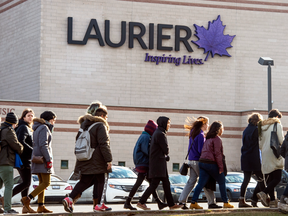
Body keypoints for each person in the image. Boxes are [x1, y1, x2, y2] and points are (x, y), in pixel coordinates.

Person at [62, 101, 113, 213]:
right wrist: (108, 159)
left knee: (85, 181)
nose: (107, 119)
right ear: (102, 116)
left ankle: (70, 198)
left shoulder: (84, 125)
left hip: (84, 157)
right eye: (106, 116)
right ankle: (99, 204)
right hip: (97, 159)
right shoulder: (100, 125)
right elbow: (104, 143)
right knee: (101, 180)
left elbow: (77, 140)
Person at [136, 116, 183, 210]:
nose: (169, 125)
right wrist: (166, 152)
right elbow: (166, 150)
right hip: (158, 164)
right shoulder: (160, 134)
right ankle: (141, 202)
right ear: (163, 123)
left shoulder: (157, 133)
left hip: (159, 163)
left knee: (166, 183)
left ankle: (171, 204)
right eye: (168, 123)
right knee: (155, 184)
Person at [124, 120, 168, 210]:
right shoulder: (146, 137)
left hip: (142, 162)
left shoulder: (144, 136)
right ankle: (128, 202)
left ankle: (159, 203)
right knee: (140, 182)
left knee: (152, 184)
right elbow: (148, 151)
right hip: (143, 163)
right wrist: (159, 156)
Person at [178, 116, 220, 209]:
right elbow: (201, 151)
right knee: (206, 181)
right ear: (203, 124)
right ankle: (211, 202)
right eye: (207, 124)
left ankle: (182, 202)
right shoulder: (200, 135)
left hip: (191, 161)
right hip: (198, 161)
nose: (208, 126)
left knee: (191, 182)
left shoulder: (193, 133)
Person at [190, 121, 234, 209]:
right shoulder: (217, 139)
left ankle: (193, 202)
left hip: (202, 162)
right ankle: (225, 202)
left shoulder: (207, 138)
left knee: (201, 183)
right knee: (222, 182)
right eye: (222, 128)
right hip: (211, 163)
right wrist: (221, 167)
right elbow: (218, 154)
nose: (223, 130)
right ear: (219, 130)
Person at [21, 110, 57, 213]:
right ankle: (27, 199)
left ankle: (41, 206)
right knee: (46, 183)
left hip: (37, 158)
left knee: (42, 183)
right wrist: (48, 159)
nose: (54, 122)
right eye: (54, 120)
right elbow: (43, 145)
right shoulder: (44, 128)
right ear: (50, 120)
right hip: (43, 159)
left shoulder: (36, 128)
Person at [257, 109, 284, 208]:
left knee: (271, 179)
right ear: (277, 117)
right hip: (275, 153)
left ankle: (273, 201)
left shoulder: (261, 126)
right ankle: (264, 193)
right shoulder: (277, 125)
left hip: (265, 154)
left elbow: (259, 144)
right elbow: (281, 140)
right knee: (277, 178)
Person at [11, 109, 36, 214]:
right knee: (26, 182)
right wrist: (33, 150)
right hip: (24, 159)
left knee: (25, 183)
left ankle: (26, 207)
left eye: (32, 115)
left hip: (24, 158)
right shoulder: (23, 127)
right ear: (23, 117)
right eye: (28, 115)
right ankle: (5, 198)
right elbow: (21, 142)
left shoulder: (23, 127)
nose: (30, 117)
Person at [239, 113, 265, 208]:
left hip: (245, 157)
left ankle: (242, 200)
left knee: (246, 180)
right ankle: (265, 198)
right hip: (254, 158)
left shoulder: (245, 130)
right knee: (261, 179)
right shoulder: (256, 130)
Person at [0, 112, 24, 214]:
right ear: (13, 123)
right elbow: (16, 146)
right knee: (9, 185)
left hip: (0, 162)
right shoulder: (9, 131)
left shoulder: (1, 129)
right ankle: (7, 209)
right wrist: (21, 147)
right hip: (6, 162)